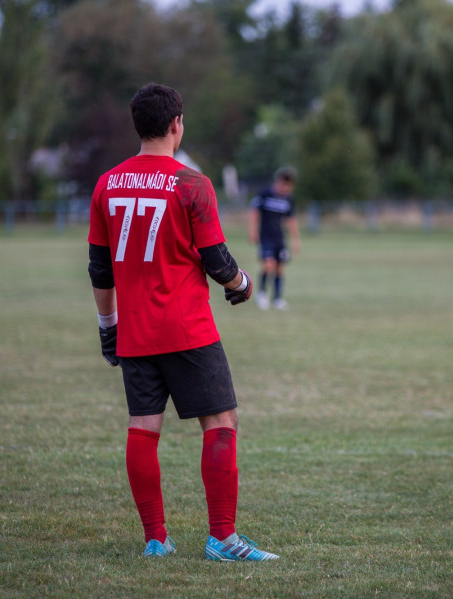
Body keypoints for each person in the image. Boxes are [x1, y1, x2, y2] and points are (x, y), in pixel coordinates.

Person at [87, 83, 278, 562]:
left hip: (134, 332)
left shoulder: (107, 185)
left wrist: (108, 328)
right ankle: (223, 539)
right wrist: (241, 284)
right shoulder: (192, 183)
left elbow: (100, 269)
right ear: (176, 125)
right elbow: (216, 258)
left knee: (143, 427)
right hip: (188, 329)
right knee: (221, 422)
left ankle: (156, 540)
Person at [248, 167, 301, 310]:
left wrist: (296, 240)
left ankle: (277, 298)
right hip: (266, 237)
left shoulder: (288, 199)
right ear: (278, 182)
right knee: (268, 265)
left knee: (279, 268)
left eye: (290, 186)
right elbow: (254, 212)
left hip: (279, 238)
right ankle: (262, 294)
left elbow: (291, 221)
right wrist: (252, 231)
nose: (287, 188)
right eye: (285, 185)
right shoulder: (265, 194)